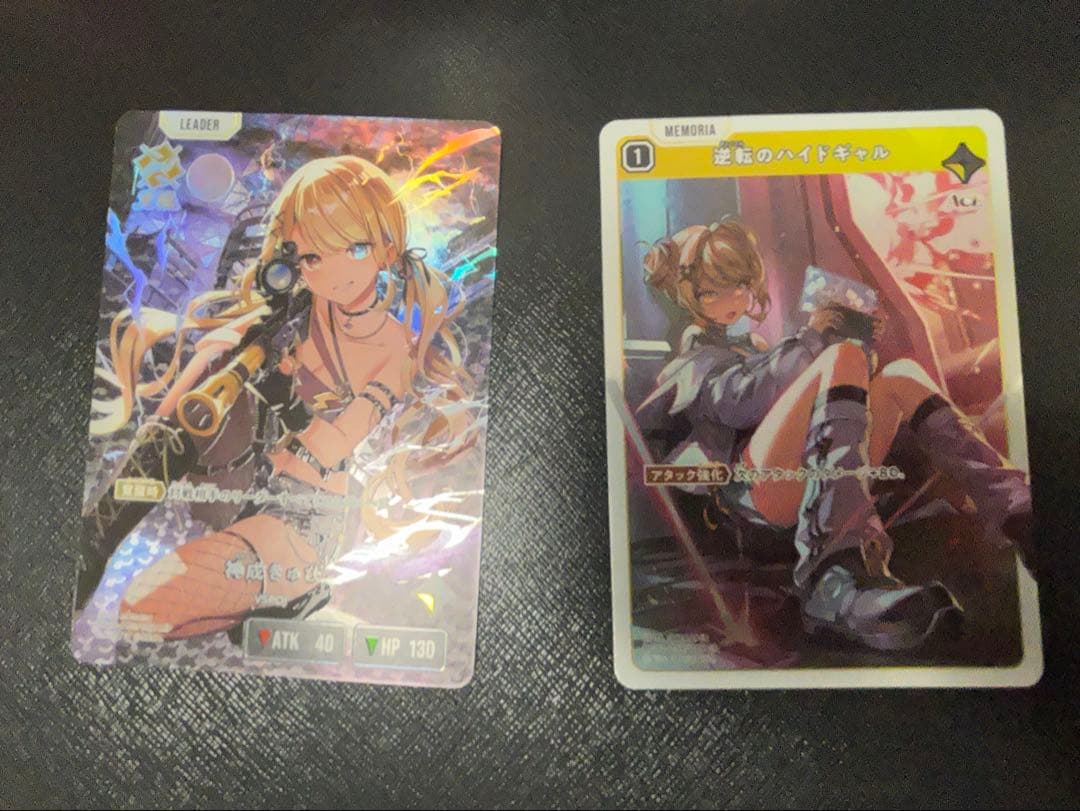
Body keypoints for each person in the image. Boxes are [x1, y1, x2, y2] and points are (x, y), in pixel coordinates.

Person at [637, 220, 1031, 650]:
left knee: (900, 374)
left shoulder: (758, 350)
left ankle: (1014, 507)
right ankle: (836, 577)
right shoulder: (691, 364)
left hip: (807, 475)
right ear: (688, 297)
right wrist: (818, 341)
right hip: (756, 496)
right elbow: (740, 400)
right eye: (714, 291)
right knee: (840, 355)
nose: (734, 299)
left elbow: (817, 392)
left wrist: (852, 343)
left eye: (740, 285)